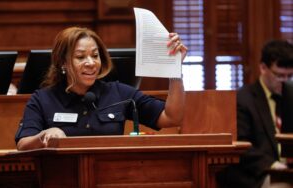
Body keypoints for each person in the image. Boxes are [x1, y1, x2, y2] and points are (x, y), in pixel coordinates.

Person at [15, 26, 188, 150]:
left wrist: (175, 70)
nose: (91, 63)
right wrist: (45, 134)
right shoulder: (43, 99)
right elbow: (23, 144)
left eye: (95, 55)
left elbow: (172, 117)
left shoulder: (119, 93)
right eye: (80, 57)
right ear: (63, 63)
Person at [218, 40, 293, 188]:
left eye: (289, 76)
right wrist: (273, 165)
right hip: (257, 174)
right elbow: (242, 146)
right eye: (279, 75)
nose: (284, 81)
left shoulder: (290, 95)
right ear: (263, 68)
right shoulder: (243, 99)